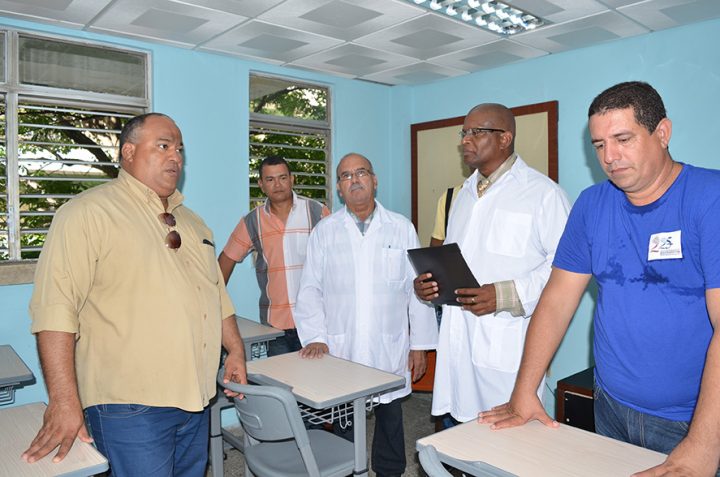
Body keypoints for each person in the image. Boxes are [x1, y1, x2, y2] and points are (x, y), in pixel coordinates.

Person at [479, 82, 720, 476]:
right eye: (599, 145)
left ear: (662, 133)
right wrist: (525, 390)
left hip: (693, 420)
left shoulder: (710, 199)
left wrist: (704, 443)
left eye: (623, 139)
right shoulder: (592, 205)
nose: (610, 157)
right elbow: (557, 301)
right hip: (610, 407)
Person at [23, 113, 247, 476]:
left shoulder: (192, 222)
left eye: (179, 149)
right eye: (163, 146)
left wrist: (235, 350)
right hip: (130, 406)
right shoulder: (88, 213)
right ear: (128, 151)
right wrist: (64, 400)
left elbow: (215, 295)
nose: (175, 157)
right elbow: (55, 309)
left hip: (196, 397)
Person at [414, 103, 570, 425]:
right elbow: (460, 262)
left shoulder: (543, 195)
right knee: (456, 438)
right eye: (464, 133)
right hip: (458, 343)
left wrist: (505, 294)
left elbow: (564, 271)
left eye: (476, 132)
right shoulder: (462, 196)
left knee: (505, 451)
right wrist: (430, 283)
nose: (465, 140)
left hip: (506, 348)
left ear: (505, 138)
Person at [294, 152, 438, 477]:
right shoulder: (324, 232)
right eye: (346, 176)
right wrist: (316, 337)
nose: (354, 179)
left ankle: (390, 470)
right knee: (345, 416)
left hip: (389, 344)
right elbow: (310, 290)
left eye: (361, 172)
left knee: (390, 414)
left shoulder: (401, 228)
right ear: (339, 189)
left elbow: (418, 290)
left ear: (374, 180)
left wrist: (420, 345)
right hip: (341, 344)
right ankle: (345, 469)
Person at [219, 155, 329, 356]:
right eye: (270, 179)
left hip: (317, 325)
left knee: (320, 384)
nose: (277, 184)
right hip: (275, 328)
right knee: (280, 386)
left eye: (282, 177)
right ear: (261, 184)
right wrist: (213, 300)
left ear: (292, 179)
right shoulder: (252, 221)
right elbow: (225, 260)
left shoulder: (317, 212)